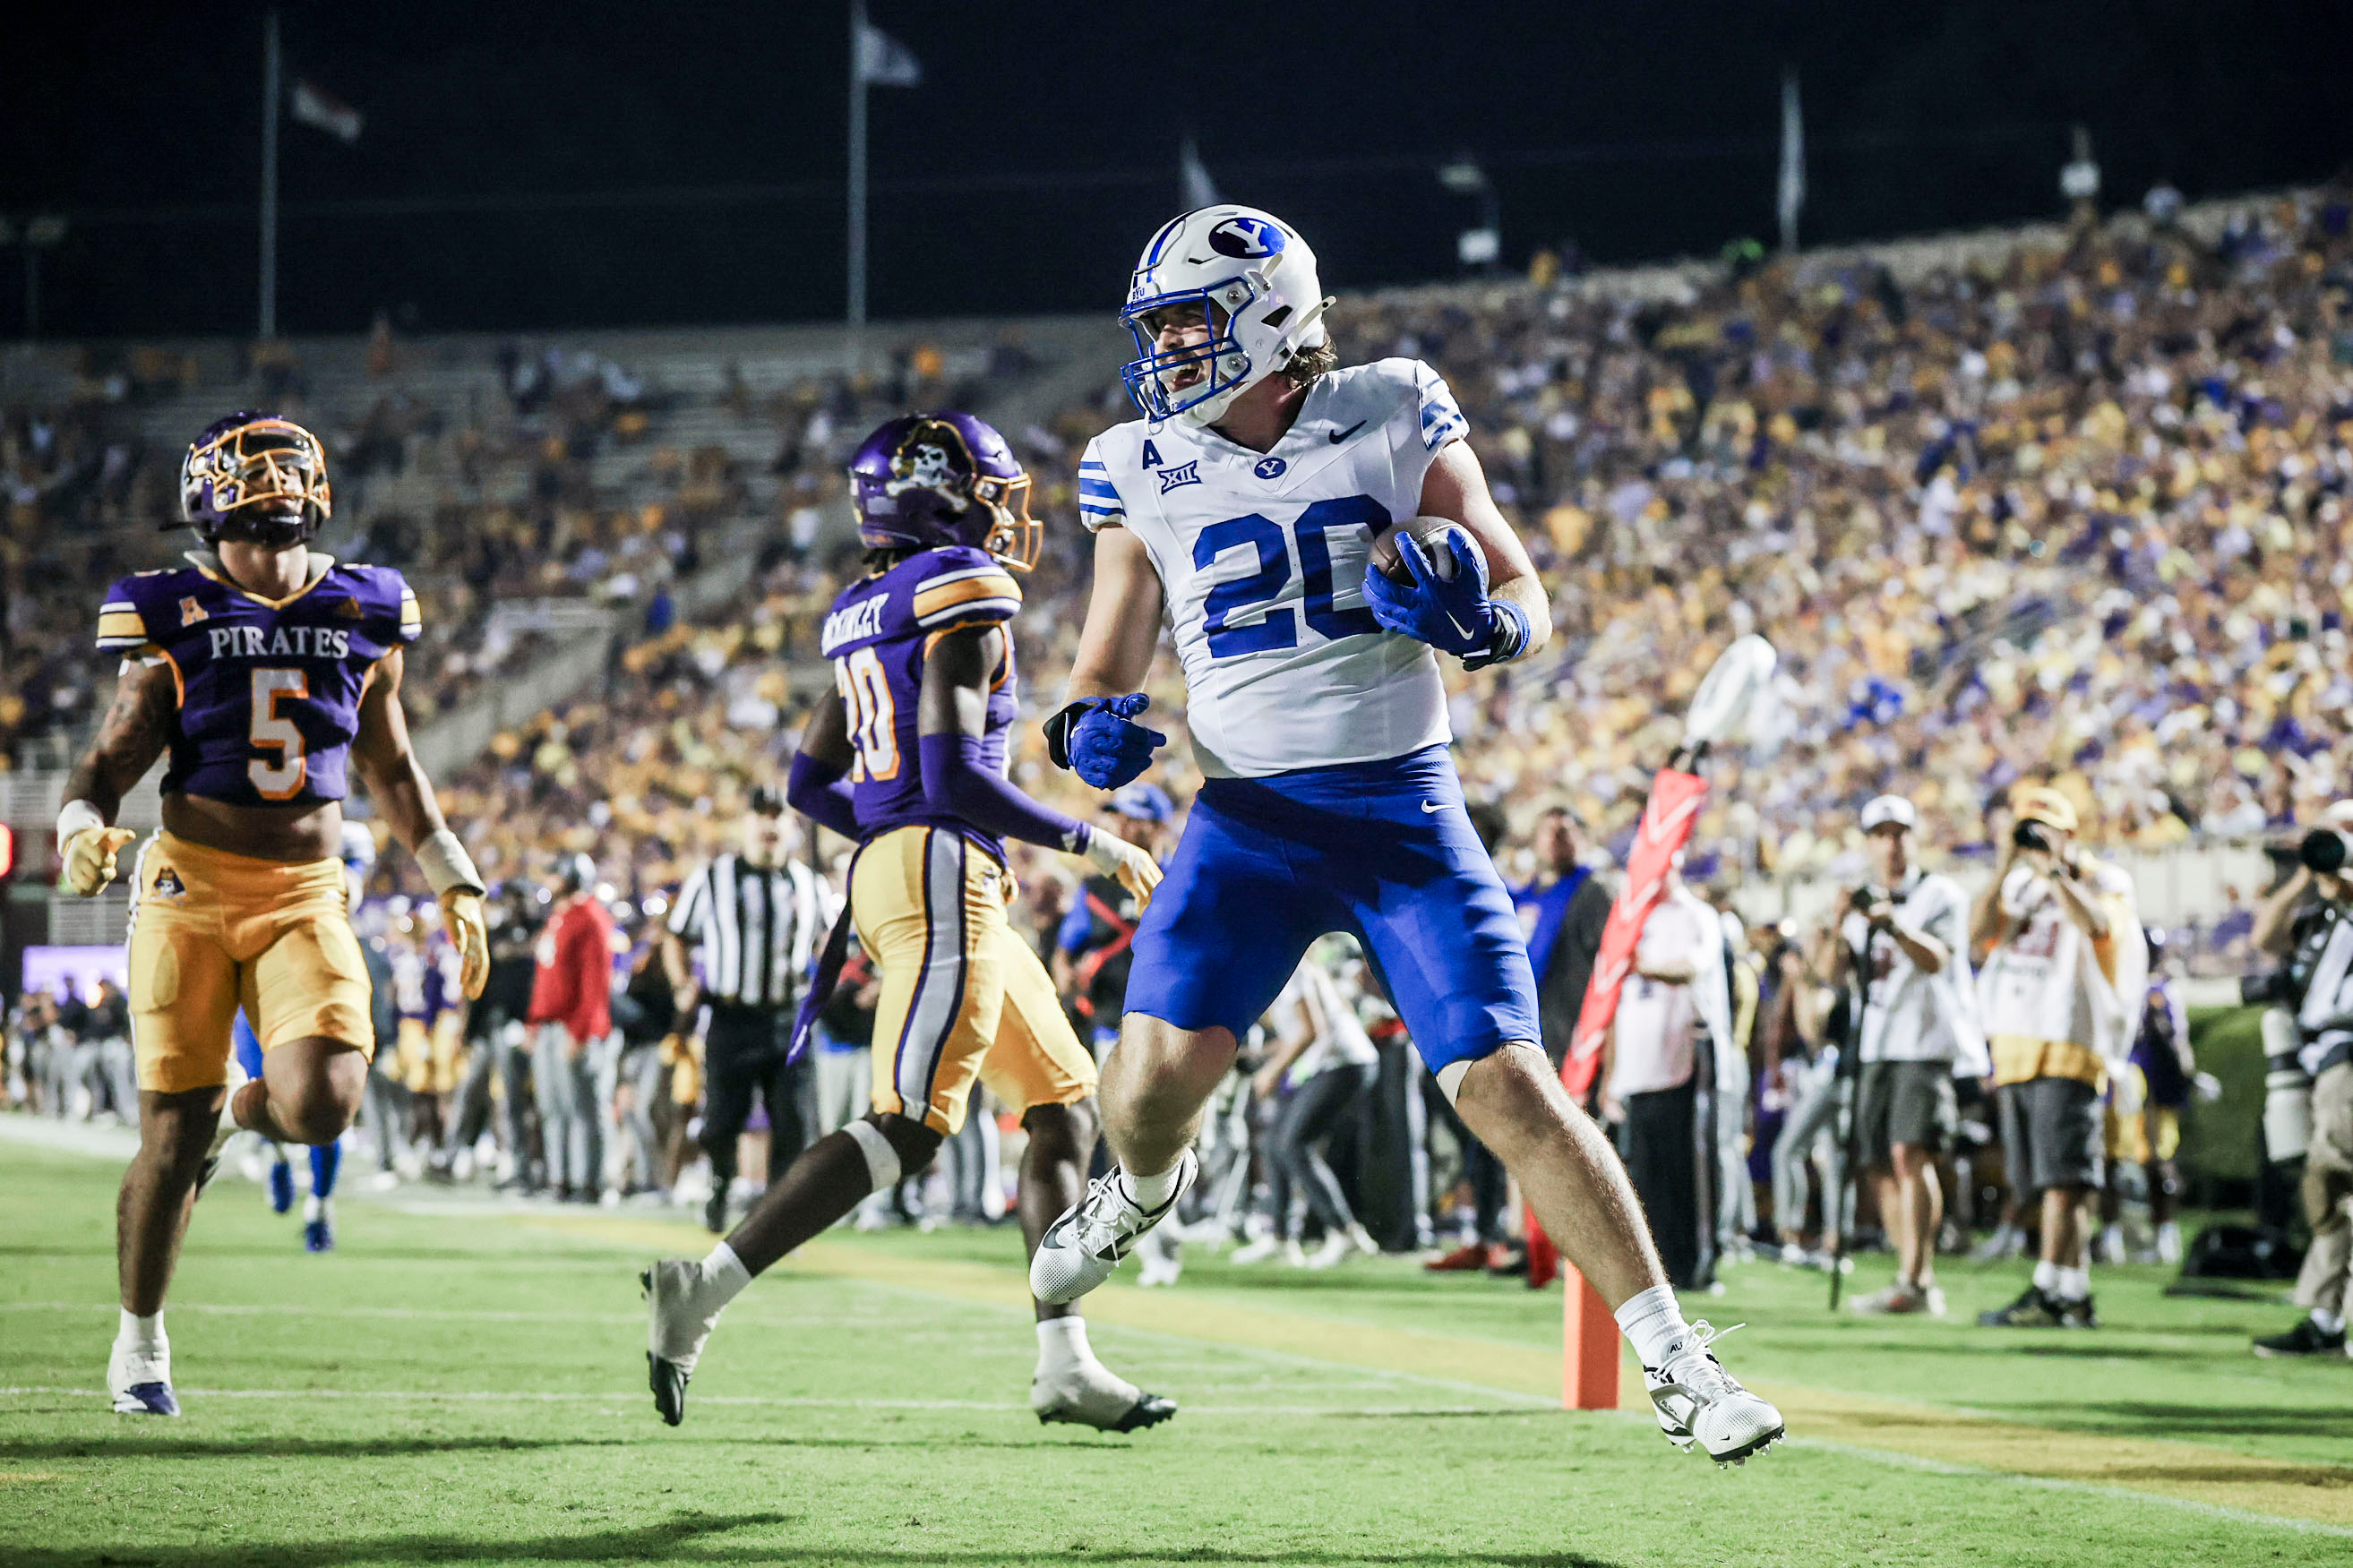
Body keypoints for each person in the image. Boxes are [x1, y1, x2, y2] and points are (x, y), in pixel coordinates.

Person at [1026, 206, 1782, 1465]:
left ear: (1270, 317)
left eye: (1185, 318)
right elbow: (1107, 650)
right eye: (1152, 322)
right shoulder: (1132, 459)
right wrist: (1083, 723)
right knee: (1148, 1089)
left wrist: (1482, 627)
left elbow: (1522, 589)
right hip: (1247, 821)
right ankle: (1148, 1186)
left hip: (1400, 810)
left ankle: (1673, 1359)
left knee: (1505, 1082)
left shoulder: (1390, 407)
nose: (1161, 346)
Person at [640, 411, 1172, 1435]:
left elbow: (807, 782)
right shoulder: (961, 590)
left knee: (1062, 1104)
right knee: (907, 1124)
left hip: (917, 867)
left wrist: (887, 835)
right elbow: (955, 783)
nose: (1001, 509)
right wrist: (1094, 844)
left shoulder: (861, 603)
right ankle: (699, 1289)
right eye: (985, 487)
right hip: (941, 869)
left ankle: (1062, 1358)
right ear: (943, 491)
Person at [56, 411, 488, 1416]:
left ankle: (235, 1123)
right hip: (189, 887)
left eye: (287, 470)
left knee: (326, 1098)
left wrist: (453, 875)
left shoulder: (366, 605)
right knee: (168, 1133)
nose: (277, 488)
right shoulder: (173, 611)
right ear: (212, 501)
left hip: (305, 889)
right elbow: (106, 762)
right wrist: (81, 825)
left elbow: (391, 763)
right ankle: (140, 1341)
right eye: (257, 476)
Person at [1972, 786, 2144, 1330]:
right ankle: (2073, 1288)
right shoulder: (2018, 884)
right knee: (2042, 1180)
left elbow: (2098, 926)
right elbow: (1979, 938)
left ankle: (2050, 1286)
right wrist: (2005, 867)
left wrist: (2054, 871)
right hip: (2017, 1044)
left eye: (2045, 828)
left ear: (2070, 834)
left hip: (2069, 1040)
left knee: (2063, 1179)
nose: (2034, 838)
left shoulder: (2103, 878)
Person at [1825, 795, 1978, 1317]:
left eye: (1900, 832)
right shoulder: (1864, 899)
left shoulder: (1940, 894)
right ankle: (1904, 1274)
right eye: (1881, 834)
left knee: (1909, 1155)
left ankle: (1920, 1276)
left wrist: (1891, 924)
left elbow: (1937, 959)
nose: (1892, 843)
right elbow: (1829, 974)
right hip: (1876, 1043)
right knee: (1878, 1166)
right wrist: (1837, 922)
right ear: (1868, 843)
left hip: (1925, 1040)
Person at [663, 785, 829, 1232]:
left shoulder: (810, 885)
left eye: (778, 815)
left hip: (787, 1016)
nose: (770, 824)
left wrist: (828, 987)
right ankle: (720, 1182)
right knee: (720, 1119)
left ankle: (779, 1211)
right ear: (747, 823)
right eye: (761, 814)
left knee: (792, 1120)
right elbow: (676, 936)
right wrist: (682, 983)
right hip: (731, 1016)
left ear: (791, 827)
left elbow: (832, 943)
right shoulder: (713, 877)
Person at [234, 820, 378, 1250]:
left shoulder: (343, 855)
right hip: (265, 982)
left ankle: (320, 1204)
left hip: (319, 984)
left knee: (325, 1108)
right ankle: (277, 1154)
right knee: (261, 1088)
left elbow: (343, 895)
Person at [1599, 858, 1734, 1290]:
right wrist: (1610, 1074)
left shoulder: (1697, 915)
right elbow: (1615, 1006)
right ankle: (1654, 1270)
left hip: (1683, 1061)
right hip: (1637, 1067)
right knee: (1644, 1177)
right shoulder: (1630, 916)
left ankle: (1695, 1265)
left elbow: (1692, 966)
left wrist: (1641, 965)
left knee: (1687, 1174)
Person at [2252, 824, 2353, 1358]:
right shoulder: (2325, 917)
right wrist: (2305, 879)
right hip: (2323, 1061)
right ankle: (2326, 1317)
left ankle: (2329, 1316)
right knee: (2329, 1191)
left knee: (2331, 1178)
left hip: (2349, 1055)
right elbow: (2265, 938)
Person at [1232, 941, 1383, 1269]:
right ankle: (1280, 1236)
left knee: (1292, 1145)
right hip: (1330, 1064)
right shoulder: (1287, 969)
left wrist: (1272, 1073)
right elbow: (1297, 1034)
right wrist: (1259, 1058)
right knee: (1274, 1143)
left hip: (1344, 1064)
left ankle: (1345, 1231)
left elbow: (1312, 1032)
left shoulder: (1287, 967)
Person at [528, 853, 617, 1203]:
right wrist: (534, 1021)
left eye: (555, 875)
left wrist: (581, 1030)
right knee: (554, 1108)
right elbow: (547, 979)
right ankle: (560, 1179)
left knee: (583, 1108)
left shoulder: (591, 917)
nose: (549, 882)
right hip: (550, 1027)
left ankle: (589, 1181)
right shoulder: (560, 918)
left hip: (573, 1028)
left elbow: (596, 984)